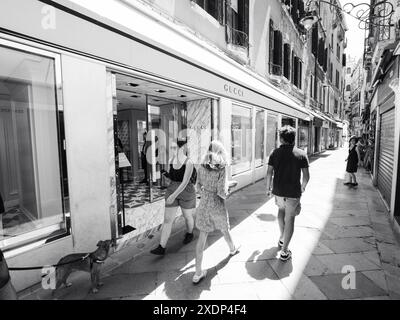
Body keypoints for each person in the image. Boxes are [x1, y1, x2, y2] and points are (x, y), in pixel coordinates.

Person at [192, 140, 239, 284]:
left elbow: (198, 187)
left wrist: (206, 190)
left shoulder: (202, 165)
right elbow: (221, 192)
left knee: (202, 236)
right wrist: (230, 188)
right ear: (220, 151)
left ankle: (197, 273)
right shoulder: (221, 167)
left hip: (204, 203)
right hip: (216, 205)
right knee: (225, 229)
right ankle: (232, 249)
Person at [265, 126, 310, 261]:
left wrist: (268, 188)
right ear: (293, 138)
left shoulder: (275, 153)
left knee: (281, 211)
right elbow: (306, 176)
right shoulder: (301, 154)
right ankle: (284, 251)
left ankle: (282, 238)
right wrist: (303, 187)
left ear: (281, 139)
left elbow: (269, 173)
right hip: (293, 192)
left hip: (278, 191)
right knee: (289, 219)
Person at [150, 138, 196, 255]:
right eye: (171, 148)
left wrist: (173, 195)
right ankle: (162, 247)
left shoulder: (189, 162)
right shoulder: (171, 160)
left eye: (174, 148)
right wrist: (166, 175)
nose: (172, 150)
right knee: (167, 220)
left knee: (187, 217)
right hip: (172, 189)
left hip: (186, 191)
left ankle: (190, 233)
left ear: (182, 148)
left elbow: (185, 182)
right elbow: (173, 177)